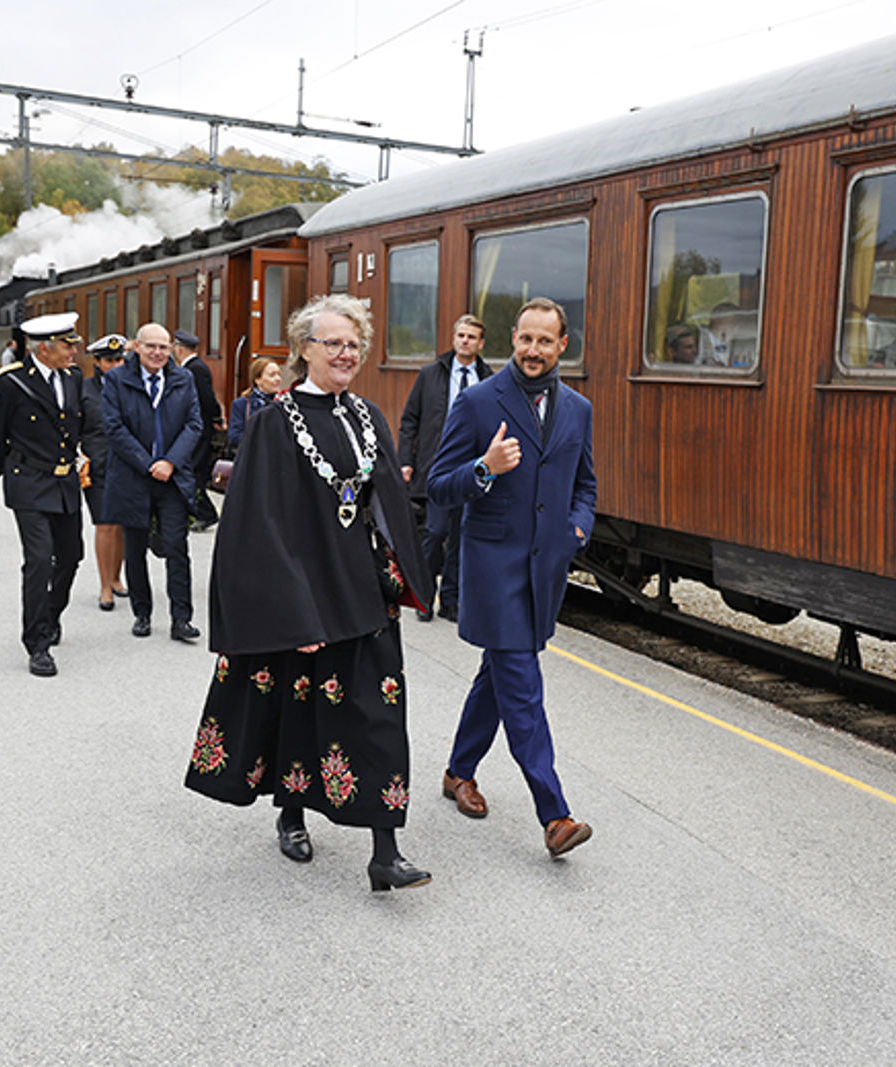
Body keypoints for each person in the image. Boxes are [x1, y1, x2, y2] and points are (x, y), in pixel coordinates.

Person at [184, 293, 435, 892]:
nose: (346, 354)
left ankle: (384, 851)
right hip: (300, 589)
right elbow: (259, 520)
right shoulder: (275, 421)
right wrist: (293, 609)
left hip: (361, 589)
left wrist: (405, 570)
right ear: (304, 350)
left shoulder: (368, 416)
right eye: (334, 344)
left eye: (354, 344)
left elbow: (388, 504)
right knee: (297, 711)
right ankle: (292, 814)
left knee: (378, 714)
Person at [427, 296, 597, 859]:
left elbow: (585, 487)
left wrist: (576, 531)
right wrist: (484, 468)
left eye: (544, 341)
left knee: (496, 677)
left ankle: (458, 772)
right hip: (493, 569)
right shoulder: (478, 402)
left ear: (561, 346)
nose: (532, 350)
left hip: (544, 571)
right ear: (513, 339)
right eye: (525, 339)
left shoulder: (578, 408)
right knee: (522, 688)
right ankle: (555, 814)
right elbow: (439, 484)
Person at [0, 312, 92, 677]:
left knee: (71, 556)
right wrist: (11, 470)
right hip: (29, 482)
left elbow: (74, 425)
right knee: (40, 560)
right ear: (44, 348)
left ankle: (51, 613)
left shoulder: (72, 378)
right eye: (67, 345)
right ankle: (37, 643)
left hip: (64, 481)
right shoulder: (9, 383)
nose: (73, 352)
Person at [101, 322, 203, 643]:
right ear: (137, 347)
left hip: (172, 478)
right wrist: (148, 464)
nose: (158, 353)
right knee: (135, 550)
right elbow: (114, 428)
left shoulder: (183, 379)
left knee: (176, 546)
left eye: (164, 347)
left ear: (171, 349)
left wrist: (170, 461)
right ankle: (142, 613)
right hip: (133, 477)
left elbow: (194, 423)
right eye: (151, 347)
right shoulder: (117, 380)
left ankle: (181, 619)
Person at [397, 314, 492, 622]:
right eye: (461, 335)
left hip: (471, 468)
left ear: (481, 343)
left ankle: (451, 601)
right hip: (438, 466)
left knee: (462, 535)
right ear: (454, 339)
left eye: (471, 337)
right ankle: (423, 598)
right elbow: (410, 419)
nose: (465, 340)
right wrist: (405, 461)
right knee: (435, 532)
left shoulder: (489, 378)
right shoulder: (431, 374)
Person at [81, 334, 129, 611]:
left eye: (120, 359)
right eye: (109, 360)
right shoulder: (84, 389)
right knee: (105, 524)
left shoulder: (130, 388)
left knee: (121, 524)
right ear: (97, 363)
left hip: (125, 465)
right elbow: (74, 427)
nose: (116, 364)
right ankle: (104, 587)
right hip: (97, 465)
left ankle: (116, 577)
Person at [173, 329, 223, 531]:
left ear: (180, 348)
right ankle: (197, 513)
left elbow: (206, 397)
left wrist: (215, 417)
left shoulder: (195, 369)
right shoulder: (195, 367)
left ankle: (206, 514)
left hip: (199, 430)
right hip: (197, 428)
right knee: (192, 471)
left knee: (194, 472)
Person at [225, 357, 284, 454]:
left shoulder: (284, 403)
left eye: (279, 374)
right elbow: (234, 437)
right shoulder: (242, 404)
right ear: (258, 380)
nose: (278, 379)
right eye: (272, 375)